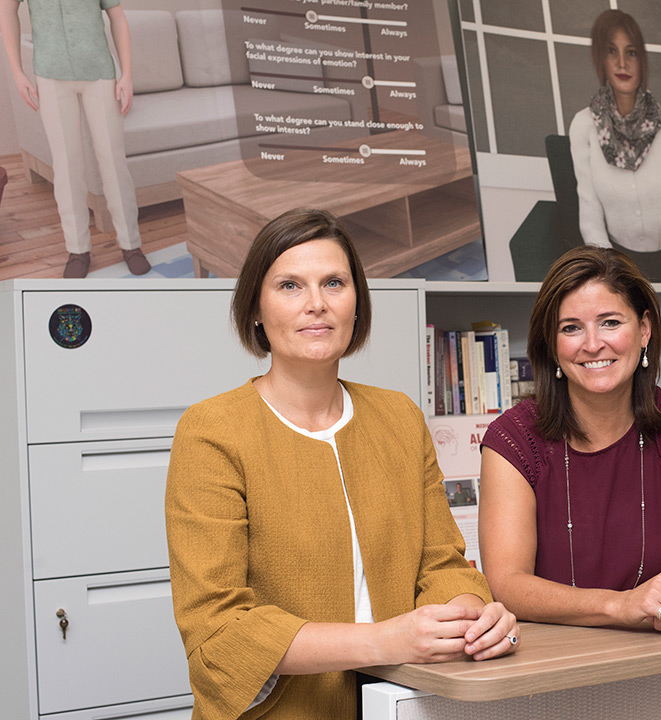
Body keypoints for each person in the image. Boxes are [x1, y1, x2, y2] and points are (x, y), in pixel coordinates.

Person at [166, 209, 518, 719]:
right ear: (256, 310)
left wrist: (468, 616)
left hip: (405, 704)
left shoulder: (398, 416)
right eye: (290, 285)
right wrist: (383, 642)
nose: (316, 304)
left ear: (357, 303)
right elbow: (219, 629)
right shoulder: (211, 431)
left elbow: (441, 564)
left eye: (334, 282)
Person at [479, 246, 661, 634]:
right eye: (571, 328)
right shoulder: (512, 440)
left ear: (644, 330)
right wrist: (621, 605)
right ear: (552, 344)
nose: (592, 344)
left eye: (610, 322)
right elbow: (509, 584)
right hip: (553, 665)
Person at [0, 0, 149, 278]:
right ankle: (78, 250)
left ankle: (131, 245)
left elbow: (117, 17)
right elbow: (6, 10)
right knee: (67, 165)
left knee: (113, 162)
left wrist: (126, 74)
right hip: (51, 75)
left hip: (100, 74)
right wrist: (17, 71)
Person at [569, 10, 661, 283]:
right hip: (614, 274)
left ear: (642, 59)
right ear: (600, 59)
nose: (621, 63)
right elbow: (590, 218)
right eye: (611, 52)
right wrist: (613, 283)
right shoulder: (583, 127)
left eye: (630, 53)